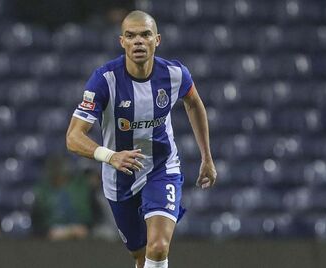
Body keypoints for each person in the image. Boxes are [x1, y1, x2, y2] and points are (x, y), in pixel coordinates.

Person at [65, 10, 217, 268]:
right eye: (130, 35)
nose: (138, 41)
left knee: (157, 248)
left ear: (157, 40)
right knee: (141, 255)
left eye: (145, 35)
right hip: (119, 178)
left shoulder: (174, 74)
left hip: (161, 168)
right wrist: (110, 156)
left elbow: (193, 102)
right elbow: (73, 137)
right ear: (121, 41)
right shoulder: (105, 80)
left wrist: (207, 157)